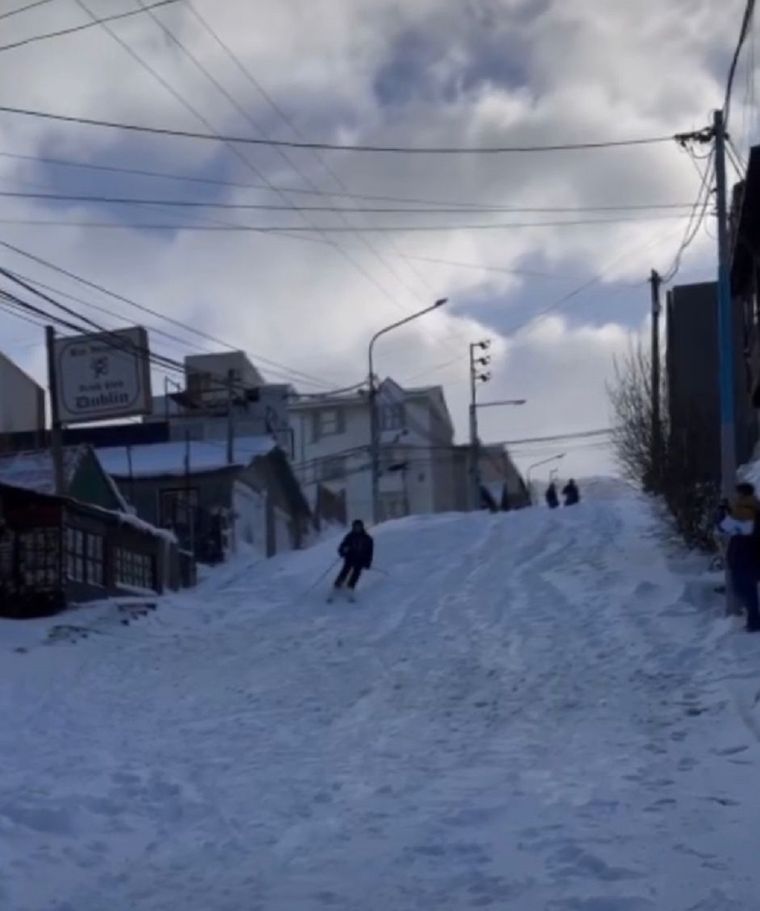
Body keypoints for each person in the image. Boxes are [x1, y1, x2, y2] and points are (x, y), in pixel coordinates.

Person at [718, 482, 760, 632]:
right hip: (753, 555)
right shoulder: (753, 508)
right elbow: (742, 526)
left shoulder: (745, 510)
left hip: (744, 557)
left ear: (742, 494)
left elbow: (724, 527)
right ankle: (754, 619)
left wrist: (721, 511)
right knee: (748, 589)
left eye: (737, 493)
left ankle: (754, 622)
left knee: (744, 589)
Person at [333, 519, 374, 598]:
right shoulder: (349, 536)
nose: (357, 528)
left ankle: (350, 589)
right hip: (350, 558)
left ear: (362, 527)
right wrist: (343, 550)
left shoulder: (367, 538)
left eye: (359, 527)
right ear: (353, 527)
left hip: (360, 560)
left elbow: (370, 552)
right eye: (356, 527)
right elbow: (341, 547)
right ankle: (336, 587)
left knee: (356, 574)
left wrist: (368, 563)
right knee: (344, 572)